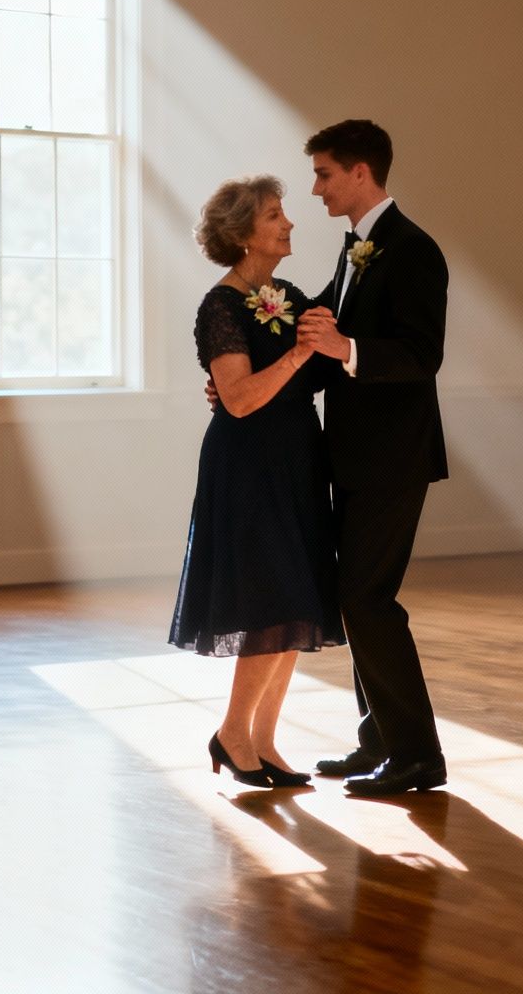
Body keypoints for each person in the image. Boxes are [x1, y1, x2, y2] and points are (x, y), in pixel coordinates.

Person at [295, 119, 451, 797]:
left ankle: (418, 756)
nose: (316, 188)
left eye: (325, 173)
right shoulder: (356, 248)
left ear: (362, 173)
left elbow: (421, 356)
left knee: (368, 597)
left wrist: (346, 350)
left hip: (394, 458)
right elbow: (321, 330)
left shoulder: (414, 250)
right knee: (354, 597)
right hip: (353, 454)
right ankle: (377, 738)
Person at [170, 175, 342, 789]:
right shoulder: (220, 307)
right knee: (271, 600)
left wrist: (311, 356)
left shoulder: (287, 294)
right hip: (249, 467)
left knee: (296, 603)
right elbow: (239, 401)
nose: (289, 223)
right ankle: (233, 733)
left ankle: (264, 741)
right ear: (244, 234)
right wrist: (296, 356)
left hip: (297, 461)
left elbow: (315, 379)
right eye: (275, 216)